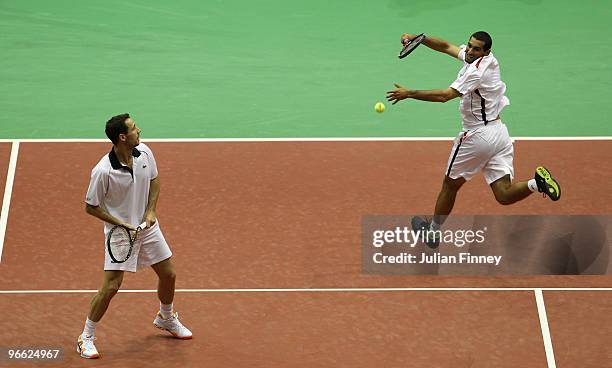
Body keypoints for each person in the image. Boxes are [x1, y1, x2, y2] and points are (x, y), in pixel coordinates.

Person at [386, 31, 561, 248]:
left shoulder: (476, 72)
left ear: (486, 52)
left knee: (450, 186)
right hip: (499, 134)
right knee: (503, 195)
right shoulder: (484, 59)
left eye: (476, 48)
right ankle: (537, 183)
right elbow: (446, 46)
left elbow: (444, 96)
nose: (469, 50)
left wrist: (410, 93)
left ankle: (432, 232)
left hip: (478, 137)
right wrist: (420, 39)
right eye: (469, 46)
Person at [76, 113, 192, 359]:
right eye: (133, 128)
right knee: (111, 286)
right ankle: (85, 337)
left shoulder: (145, 153)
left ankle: (166, 318)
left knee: (169, 274)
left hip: (148, 227)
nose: (139, 130)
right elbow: (91, 206)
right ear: (122, 137)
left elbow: (155, 180)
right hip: (120, 235)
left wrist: (151, 210)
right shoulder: (103, 171)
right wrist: (121, 224)